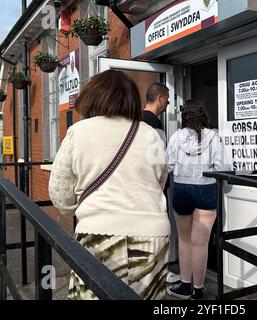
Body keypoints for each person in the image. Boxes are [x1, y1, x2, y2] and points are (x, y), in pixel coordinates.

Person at [48, 70, 170, 300]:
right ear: (132, 99)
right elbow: (160, 180)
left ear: (92, 97)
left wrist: (78, 207)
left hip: (98, 233)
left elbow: (60, 192)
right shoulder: (151, 134)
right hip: (153, 235)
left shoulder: (78, 132)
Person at [166, 99, 229, 300]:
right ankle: (198, 291)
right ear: (204, 115)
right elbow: (223, 168)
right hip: (206, 188)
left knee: (184, 240)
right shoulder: (214, 136)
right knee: (200, 243)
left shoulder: (176, 137)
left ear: (185, 116)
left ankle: (185, 286)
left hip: (182, 189)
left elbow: (167, 165)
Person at [143, 82, 181, 286]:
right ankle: (160, 274)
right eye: (167, 99)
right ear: (159, 98)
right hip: (153, 191)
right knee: (158, 234)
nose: (168, 103)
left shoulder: (136, 121)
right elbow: (159, 164)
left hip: (140, 189)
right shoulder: (154, 126)